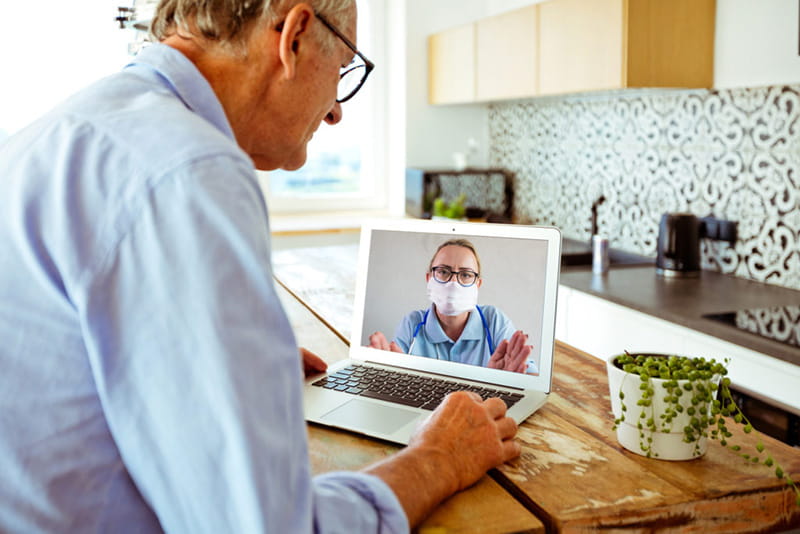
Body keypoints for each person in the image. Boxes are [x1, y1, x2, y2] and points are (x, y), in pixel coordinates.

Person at [0, 1, 521, 532]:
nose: (337, 109)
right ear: (293, 35)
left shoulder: (66, 127)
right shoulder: (191, 170)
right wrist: (438, 459)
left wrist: (225, 358)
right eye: (342, 67)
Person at [369, 239, 536, 374]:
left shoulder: (494, 321)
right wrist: (387, 372)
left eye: (465, 274)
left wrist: (504, 382)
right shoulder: (412, 324)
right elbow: (395, 372)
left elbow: (531, 375)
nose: (453, 282)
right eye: (443, 271)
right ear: (429, 278)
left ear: (478, 284)